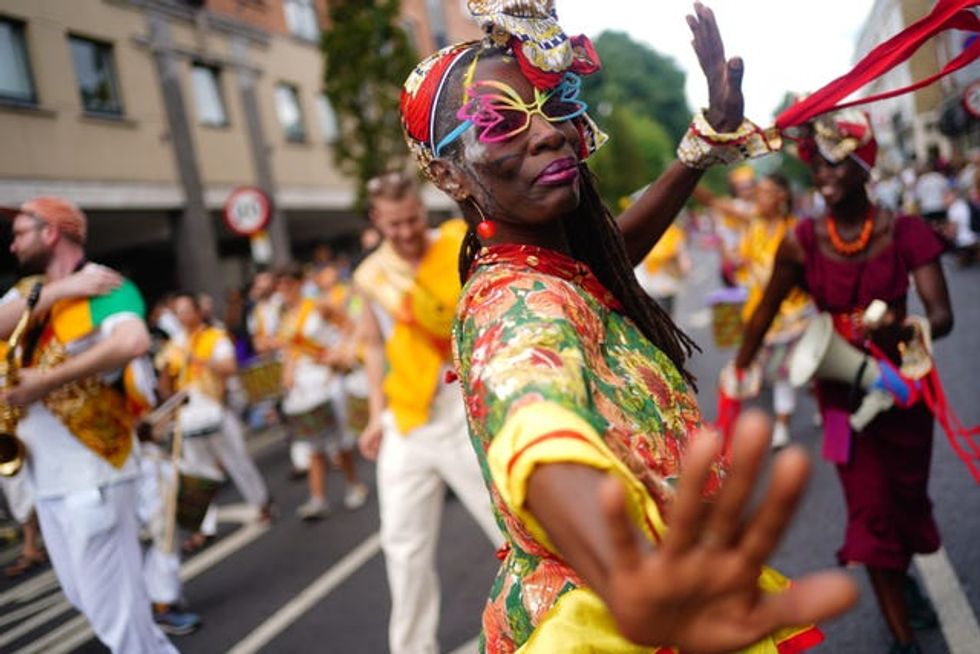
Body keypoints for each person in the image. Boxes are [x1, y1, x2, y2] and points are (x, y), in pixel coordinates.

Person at [400, 2, 857, 652]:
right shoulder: (515, 298)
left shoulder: (554, 265)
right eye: (500, 123)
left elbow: (614, 247)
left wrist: (707, 139)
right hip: (611, 621)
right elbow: (534, 413)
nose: (550, 134)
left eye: (554, 106)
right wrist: (629, 577)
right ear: (446, 173)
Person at [732, 110, 953, 654]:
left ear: (862, 168)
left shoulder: (905, 230)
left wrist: (906, 329)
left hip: (902, 391)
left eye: (835, 165)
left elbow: (941, 315)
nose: (823, 176)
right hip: (836, 397)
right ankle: (904, 641)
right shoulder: (802, 239)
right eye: (816, 167)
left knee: (903, 501)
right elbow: (763, 312)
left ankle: (899, 578)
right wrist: (741, 367)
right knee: (869, 509)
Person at [0, 196, 178, 652]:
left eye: (20, 232)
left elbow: (133, 340)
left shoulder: (106, 286)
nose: (11, 243)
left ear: (51, 232)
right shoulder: (31, 292)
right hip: (48, 478)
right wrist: (56, 292)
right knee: (95, 603)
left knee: (118, 620)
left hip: (94, 470)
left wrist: (49, 380)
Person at [353, 170, 503, 654]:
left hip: (464, 407)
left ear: (422, 209)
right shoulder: (369, 276)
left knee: (506, 522)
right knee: (402, 546)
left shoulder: (457, 244)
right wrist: (376, 415)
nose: (405, 232)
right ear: (377, 220)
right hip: (407, 416)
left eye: (412, 219)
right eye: (393, 224)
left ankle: (552, 621)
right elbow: (373, 348)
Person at [158, 293, 274, 552]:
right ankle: (203, 527)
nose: (183, 317)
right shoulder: (174, 345)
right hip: (189, 415)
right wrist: (169, 397)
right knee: (197, 473)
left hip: (216, 410)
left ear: (199, 312)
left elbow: (230, 367)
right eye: (179, 312)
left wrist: (200, 361)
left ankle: (261, 503)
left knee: (237, 459)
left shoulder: (214, 337)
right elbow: (164, 381)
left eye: (187, 310)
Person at [275, 264, 368, 520]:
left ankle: (354, 484)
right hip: (306, 383)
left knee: (340, 439)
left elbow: (348, 326)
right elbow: (289, 351)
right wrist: (288, 374)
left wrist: (337, 354)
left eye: (288, 284)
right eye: (280, 286)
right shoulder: (286, 317)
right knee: (313, 444)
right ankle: (318, 498)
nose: (284, 290)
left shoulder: (317, 305)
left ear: (298, 284)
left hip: (329, 378)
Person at [730, 174, 813, 448]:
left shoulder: (796, 230)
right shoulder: (753, 229)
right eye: (757, 191)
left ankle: (794, 417)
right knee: (783, 372)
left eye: (765, 192)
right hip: (764, 314)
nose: (758, 197)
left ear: (781, 197)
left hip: (795, 313)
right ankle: (787, 420)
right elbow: (744, 264)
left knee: (795, 370)